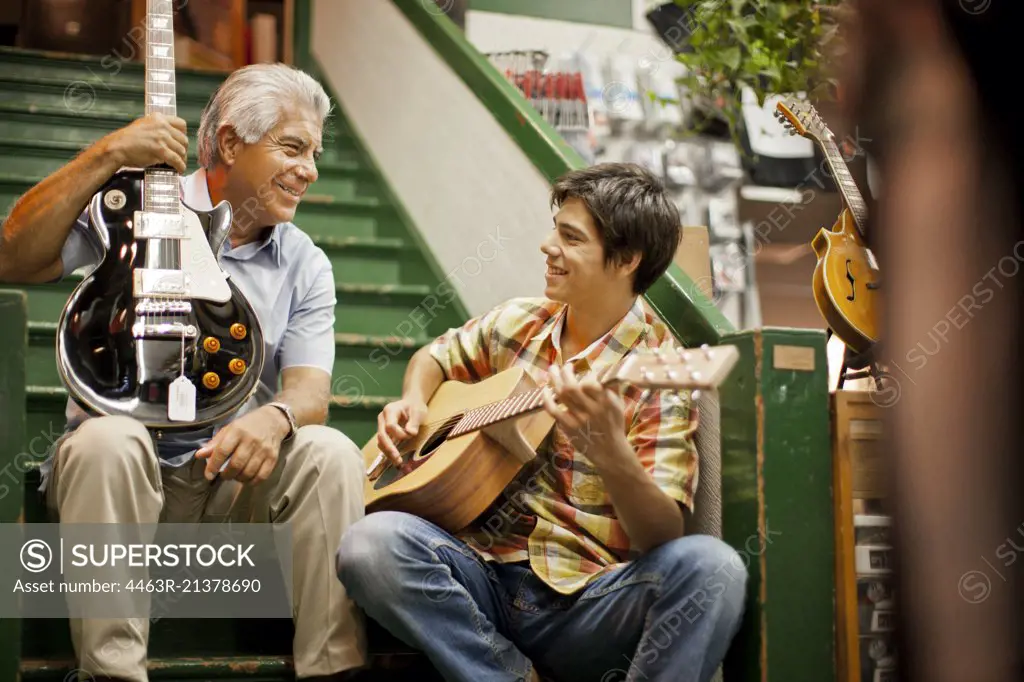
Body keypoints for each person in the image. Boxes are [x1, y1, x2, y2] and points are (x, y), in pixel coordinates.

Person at [0, 63, 366, 681]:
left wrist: (275, 419)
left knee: (329, 451)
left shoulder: (305, 262)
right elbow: (12, 255)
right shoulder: (134, 206)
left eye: (315, 153)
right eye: (293, 147)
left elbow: (309, 392)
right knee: (107, 438)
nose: (311, 169)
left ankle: (332, 671)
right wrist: (110, 152)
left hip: (227, 482)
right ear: (230, 142)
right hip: (121, 476)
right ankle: (113, 674)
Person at [337, 163, 747, 682]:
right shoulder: (520, 321)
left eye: (569, 237)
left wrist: (610, 450)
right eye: (556, 229)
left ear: (625, 260)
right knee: (369, 546)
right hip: (473, 575)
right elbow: (436, 357)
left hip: (582, 604)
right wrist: (414, 402)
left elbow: (661, 536)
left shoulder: (656, 369)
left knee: (715, 569)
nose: (547, 246)